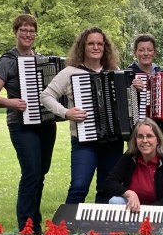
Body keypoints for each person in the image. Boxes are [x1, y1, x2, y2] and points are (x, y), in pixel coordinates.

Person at [40, 27, 124, 204]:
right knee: (79, 186)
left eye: (100, 44)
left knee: (107, 188)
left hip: (113, 141)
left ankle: (100, 230)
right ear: (83, 47)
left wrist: (135, 86)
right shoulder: (70, 72)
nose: (96, 47)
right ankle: (66, 229)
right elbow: (45, 96)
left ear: (105, 47)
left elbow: (125, 99)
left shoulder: (114, 70)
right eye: (91, 43)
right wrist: (66, 112)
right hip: (84, 142)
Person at [0, 14, 55, 234]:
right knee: (31, 173)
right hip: (21, 124)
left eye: (31, 31)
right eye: (23, 31)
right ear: (15, 32)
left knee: (41, 173)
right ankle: (26, 228)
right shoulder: (7, 61)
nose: (28, 35)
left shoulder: (44, 60)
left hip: (46, 123)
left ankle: (35, 223)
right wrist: (11, 102)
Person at [97, 118, 163, 212]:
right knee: (115, 201)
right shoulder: (129, 157)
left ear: (158, 140)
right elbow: (109, 183)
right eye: (140, 136)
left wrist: (145, 211)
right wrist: (129, 193)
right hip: (133, 206)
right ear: (135, 140)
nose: (144, 140)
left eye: (149, 136)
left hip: (160, 209)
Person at [128, 34, 163, 141]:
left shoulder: (162, 75)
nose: (145, 53)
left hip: (161, 130)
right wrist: (132, 90)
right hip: (137, 132)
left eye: (149, 50)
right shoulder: (128, 75)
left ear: (154, 52)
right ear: (135, 53)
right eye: (141, 50)